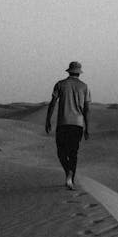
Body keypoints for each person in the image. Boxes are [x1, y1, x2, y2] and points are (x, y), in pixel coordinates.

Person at [45, 61, 91, 189]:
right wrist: (87, 127)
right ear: (79, 73)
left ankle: (68, 174)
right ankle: (70, 177)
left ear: (69, 71)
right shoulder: (84, 87)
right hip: (77, 124)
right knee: (73, 152)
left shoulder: (60, 84)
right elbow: (87, 109)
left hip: (63, 123)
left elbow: (53, 103)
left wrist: (48, 119)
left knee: (61, 152)